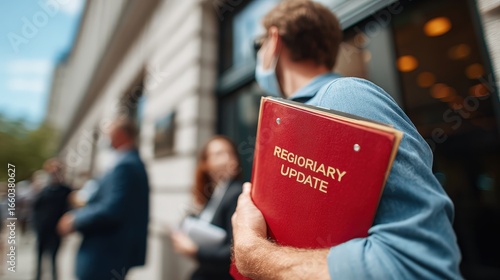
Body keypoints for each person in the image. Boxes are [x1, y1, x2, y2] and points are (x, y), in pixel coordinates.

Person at [231, 1, 462, 279]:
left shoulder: (343, 97)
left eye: (261, 44)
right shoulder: (290, 115)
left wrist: (253, 254)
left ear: (275, 40)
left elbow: (420, 265)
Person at [57, 117, 150, 280]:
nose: (106, 137)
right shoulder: (126, 162)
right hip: (108, 251)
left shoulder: (126, 165)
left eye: (110, 132)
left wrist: (75, 220)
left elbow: (112, 209)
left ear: (120, 134)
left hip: (107, 252)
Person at [172, 135, 243, 280]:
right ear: (206, 163)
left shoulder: (236, 193)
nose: (227, 158)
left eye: (230, 152)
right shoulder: (215, 192)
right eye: (219, 154)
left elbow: (234, 252)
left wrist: (194, 251)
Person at [32, 161, 72, 280]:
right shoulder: (44, 190)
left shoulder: (66, 190)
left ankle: (54, 277)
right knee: (40, 255)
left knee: (54, 256)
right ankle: (38, 276)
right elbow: (36, 208)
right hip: (43, 227)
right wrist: (36, 224)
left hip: (56, 228)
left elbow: (68, 208)